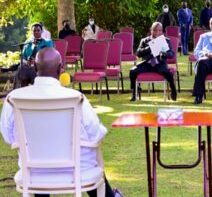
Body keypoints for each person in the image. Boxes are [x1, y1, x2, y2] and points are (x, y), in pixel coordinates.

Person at [1, 47, 123, 197]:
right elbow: (96, 134)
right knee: (91, 160)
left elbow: (8, 137)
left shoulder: (13, 98)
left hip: (33, 172)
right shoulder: (75, 97)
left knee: (39, 164)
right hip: (78, 170)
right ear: (60, 69)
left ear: (34, 67)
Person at [129, 22, 177, 101]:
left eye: (159, 30)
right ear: (151, 30)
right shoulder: (144, 41)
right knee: (133, 71)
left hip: (159, 63)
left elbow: (171, 54)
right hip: (147, 64)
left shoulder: (166, 41)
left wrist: (165, 54)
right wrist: (149, 48)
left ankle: (173, 89)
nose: (157, 32)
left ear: (162, 31)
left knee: (167, 72)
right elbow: (138, 53)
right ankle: (135, 92)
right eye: (155, 30)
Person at [14, 23, 54, 88]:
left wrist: (37, 61)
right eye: (34, 31)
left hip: (41, 65)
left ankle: (37, 88)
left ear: (42, 31)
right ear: (32, 32)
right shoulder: (27, 43)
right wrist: (26, 62)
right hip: (29, 65)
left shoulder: (47, 42)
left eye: (38, 30)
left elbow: (51, 55)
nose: (36, 32)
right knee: (21, 68)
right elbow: (23, 57)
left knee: (33, 69)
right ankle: (22, 89)